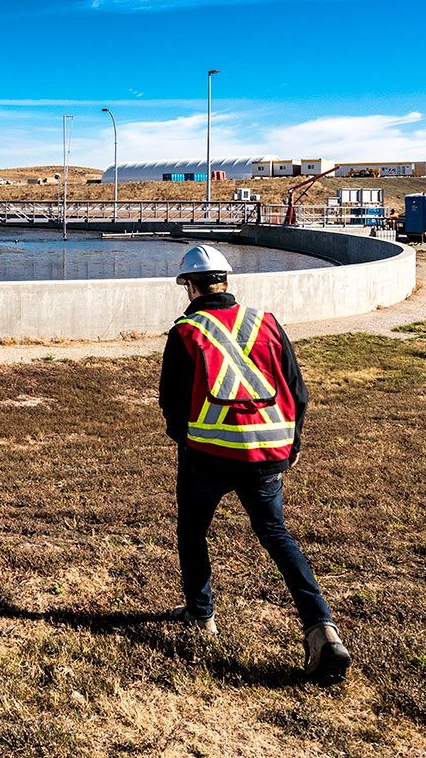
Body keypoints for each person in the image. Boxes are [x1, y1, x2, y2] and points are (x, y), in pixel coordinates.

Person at [157, 244, 351, 684]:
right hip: (268, 454)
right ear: (226, 281)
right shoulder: (266, 322)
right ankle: (322, 628)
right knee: (276, 535)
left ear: (189, 286)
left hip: (206, 454)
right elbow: (297, 390)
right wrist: (293, 441)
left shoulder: (186, 331)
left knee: (192, 531)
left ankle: (201, 615)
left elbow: (171, 403)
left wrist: (186, 440)